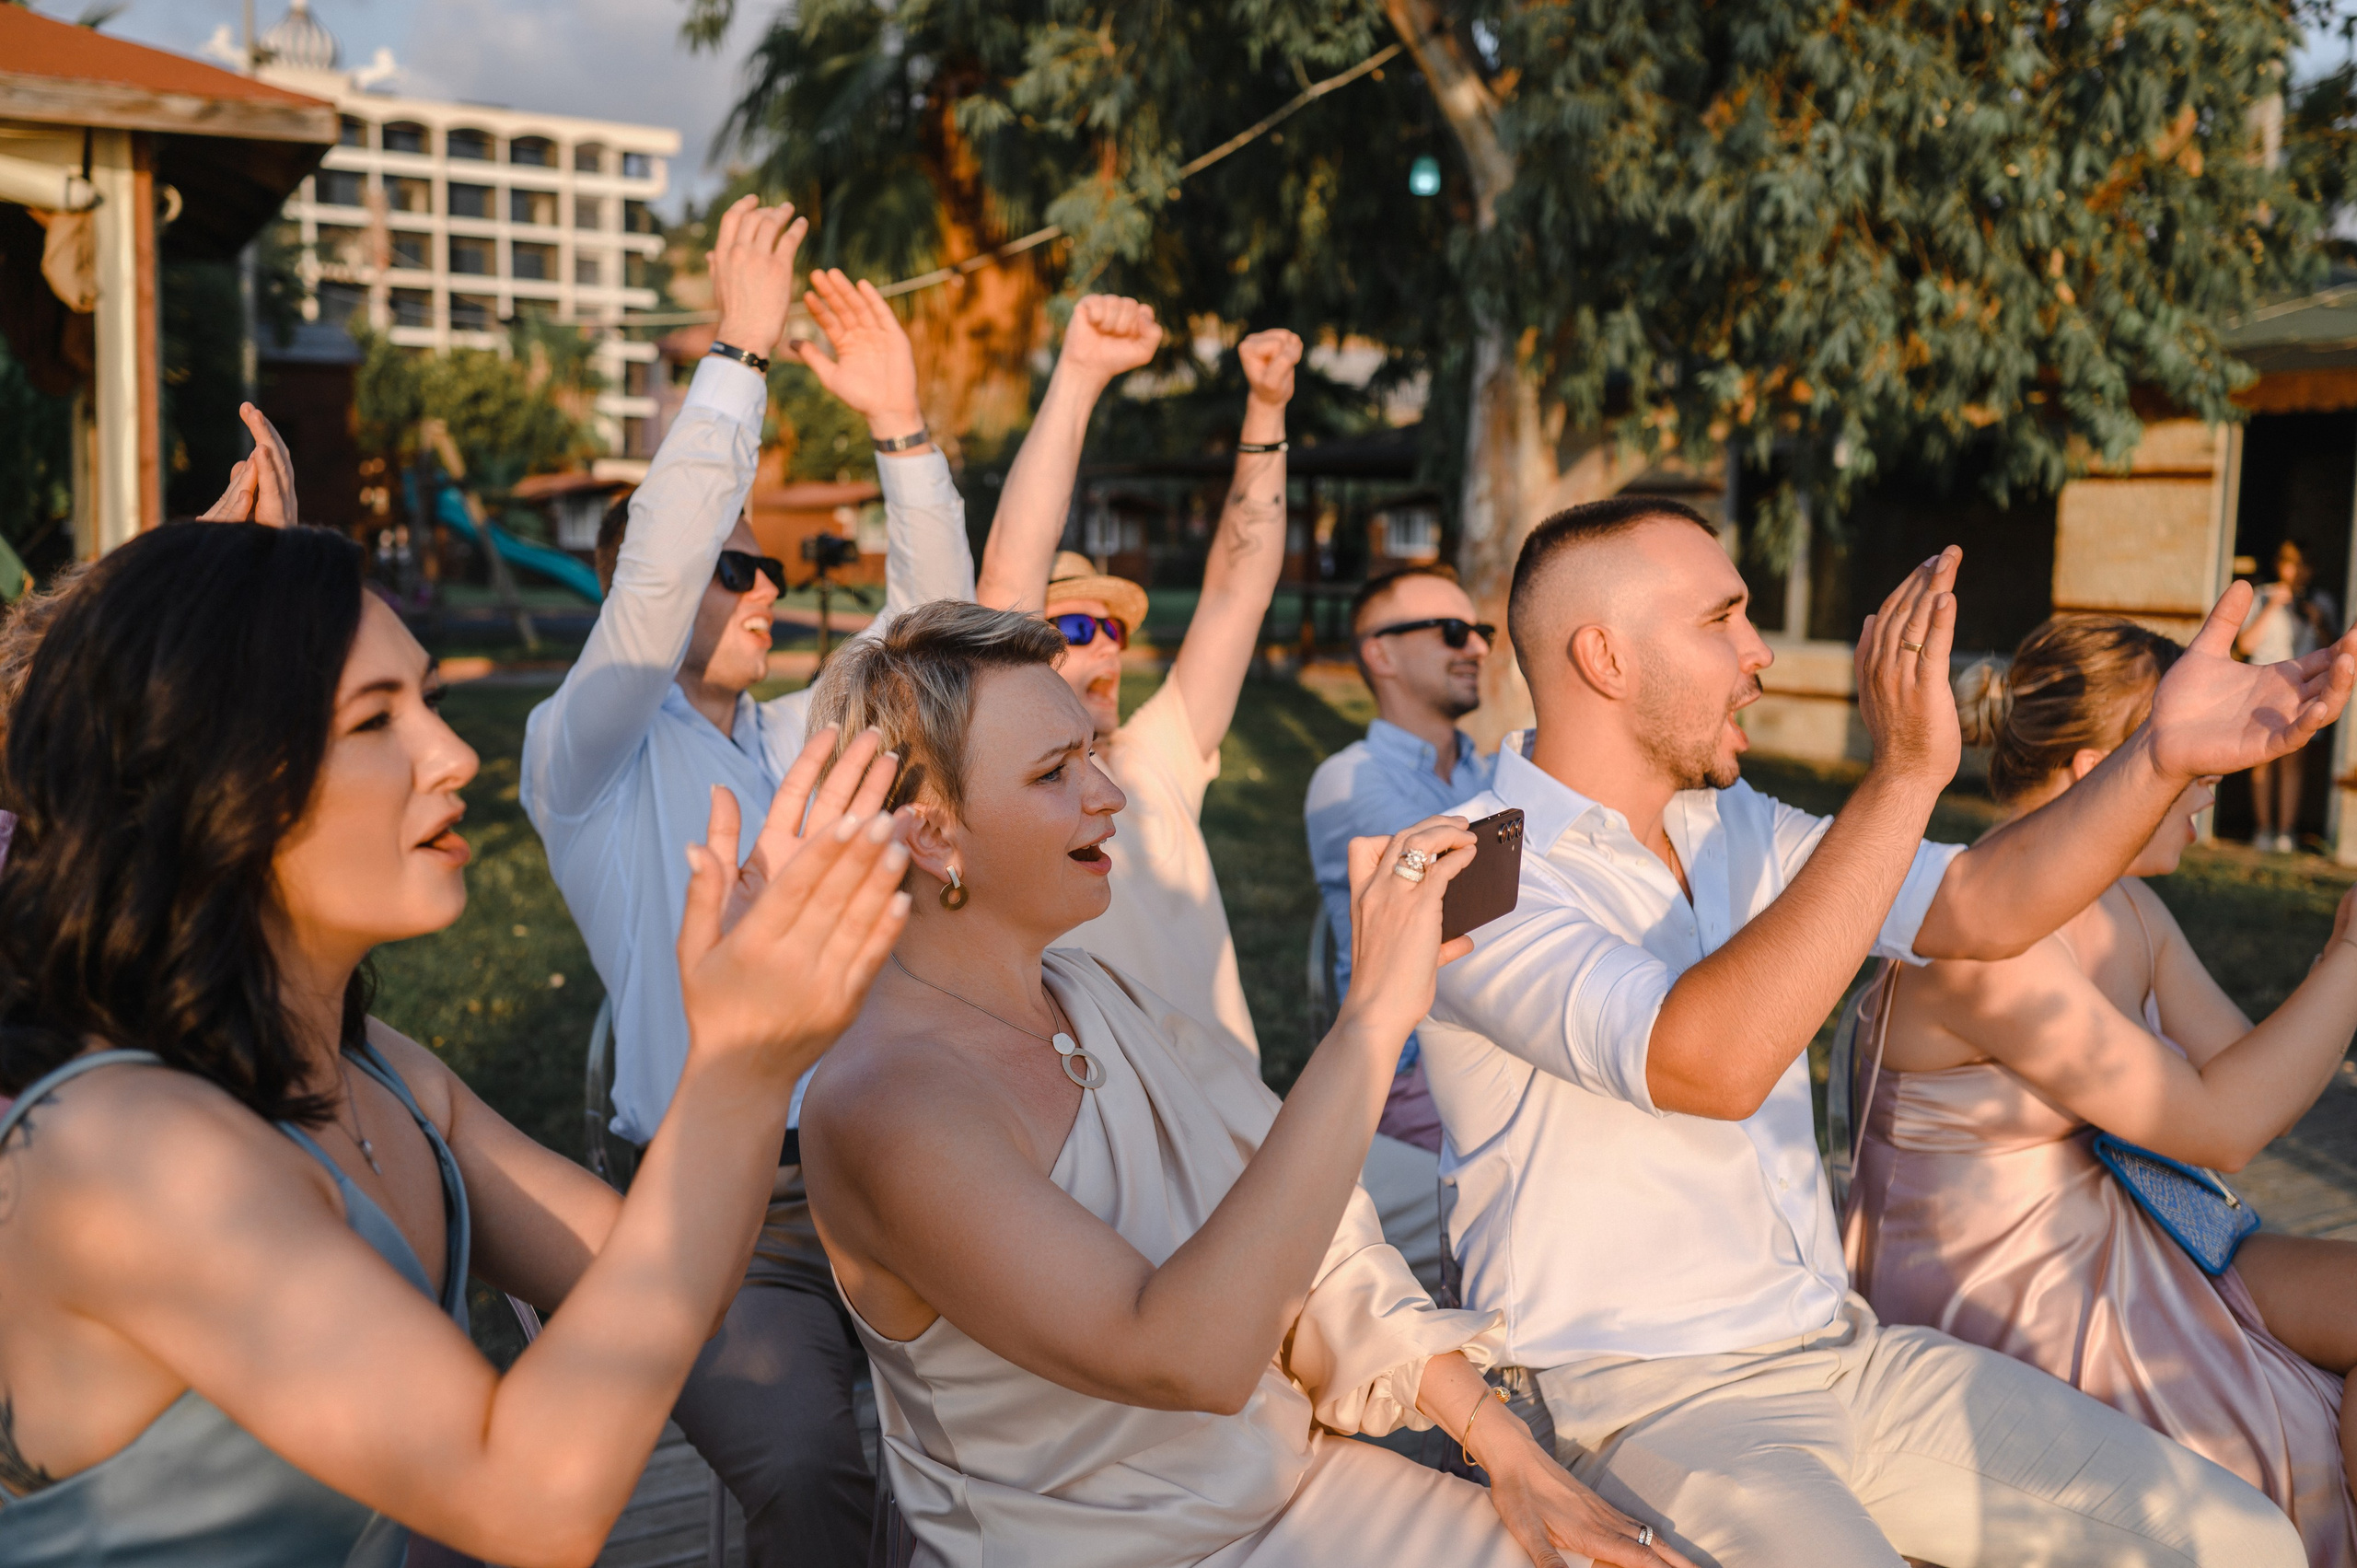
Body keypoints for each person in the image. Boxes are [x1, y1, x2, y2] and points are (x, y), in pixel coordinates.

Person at [1417, 494, 2357, 1567]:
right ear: (1606, 656)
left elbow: (1979, 907)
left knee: (2241, 1545)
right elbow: (1704, 1060)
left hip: (1844, 1357)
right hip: (1635, 1401)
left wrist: (2156, 761)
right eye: (1720, 620)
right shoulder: (1466, 870)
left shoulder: (1734, 825)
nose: (1758, 650)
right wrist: (1905, 774)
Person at [0, 518, 914, 1566]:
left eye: (428, 701)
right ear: (201, 780)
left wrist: (762, 1031)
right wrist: (739, 1064)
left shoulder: (379, 1070)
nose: (456, 753)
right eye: (372, 719)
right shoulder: (125, 1149)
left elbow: (669, 1285)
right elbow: (526, 1501)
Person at [795, 599, 1696, 1568]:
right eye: (1055, 773)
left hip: (1298, 1487)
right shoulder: (887, 1104)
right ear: (933, 837)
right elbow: (1184, 1353)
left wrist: (1507, 1446)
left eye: (1092, 751)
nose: (1110, 793)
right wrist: (1370, 1021)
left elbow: (1313, 1251)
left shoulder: (1093, 994)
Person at [518, 199, 973, 1565]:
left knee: (1006, 1439)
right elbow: (655, 582)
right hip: (722, 1204)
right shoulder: (583, 746)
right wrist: (742, 355)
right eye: (734, 566)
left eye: (768, 565)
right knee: (807, 1470)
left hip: (892, 1163)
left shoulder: (801, 736)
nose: (761, 583)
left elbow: (935, 642)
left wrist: (903, 429)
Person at [1846, 613, 2357, 1566]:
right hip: (2011, 1292)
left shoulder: (2128, 904)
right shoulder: (1982, 953)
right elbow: (2220, 1126)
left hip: (2145, 1243)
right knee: (2263, 1436)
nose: (2211, 778)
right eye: (2188, 755)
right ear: (2097, 774)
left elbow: (2251, 1077)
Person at [1304, 563, 1495, 1155]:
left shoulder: (1488, 773)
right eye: (1451, 631)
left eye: (1481, 629)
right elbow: (1475, 896)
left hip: (1491, 1047)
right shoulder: (1349, 780)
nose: (1480, 646)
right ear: (1381, 655)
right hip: (1410, 1072)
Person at [2236, 540, 2340, 854]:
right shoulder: (2261, 595)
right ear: (2279, 565)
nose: (2295, 572)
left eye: (2302, 565)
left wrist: (2318, 622)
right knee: (2262, 760)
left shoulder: (2321, 601)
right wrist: (2272, 607)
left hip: (2304, 688)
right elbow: (2245, 645)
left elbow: (2336, 651)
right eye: (2289, 563)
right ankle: (2263, 830)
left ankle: (2285, 833)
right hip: (2263, 686)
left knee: (2294, 761)